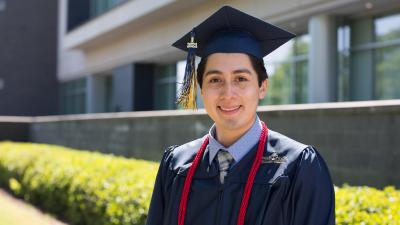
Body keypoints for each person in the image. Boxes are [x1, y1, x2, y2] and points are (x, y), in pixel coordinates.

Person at [146, 5, 335, 225]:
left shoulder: (299, 167)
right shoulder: (175, 164)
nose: (228, 93)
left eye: (241, 79)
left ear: (262, 87)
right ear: (201, 89)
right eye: (215, 80)